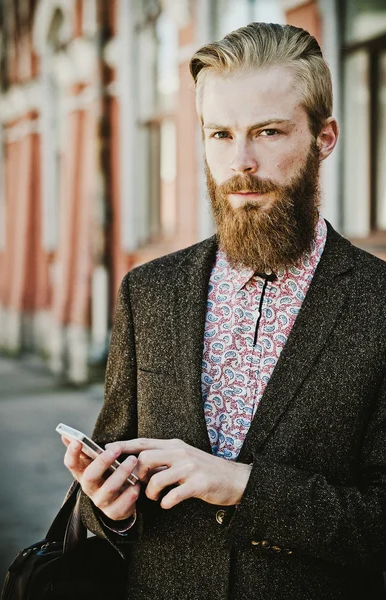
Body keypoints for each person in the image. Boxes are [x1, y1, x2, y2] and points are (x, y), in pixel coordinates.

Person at [62, 22, 386, 600]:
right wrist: (107, 509)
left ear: (324, 136)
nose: (241, 161)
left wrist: (242, 485)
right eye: (220, 134)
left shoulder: (377, 303)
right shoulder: (149, 292)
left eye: (267, 132)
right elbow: (110, 488)